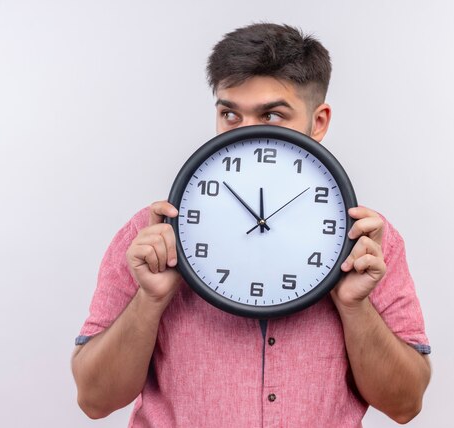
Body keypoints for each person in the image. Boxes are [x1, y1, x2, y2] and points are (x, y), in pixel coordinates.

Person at [71, 23, 431, 427]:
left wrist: (355, 306)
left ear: (320, 121)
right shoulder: (153, 233)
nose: (247, 135)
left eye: (271, 115)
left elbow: (405, 405)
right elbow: (95, 400)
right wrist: (150, 300)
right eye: (230, 114)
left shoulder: (366, 241)